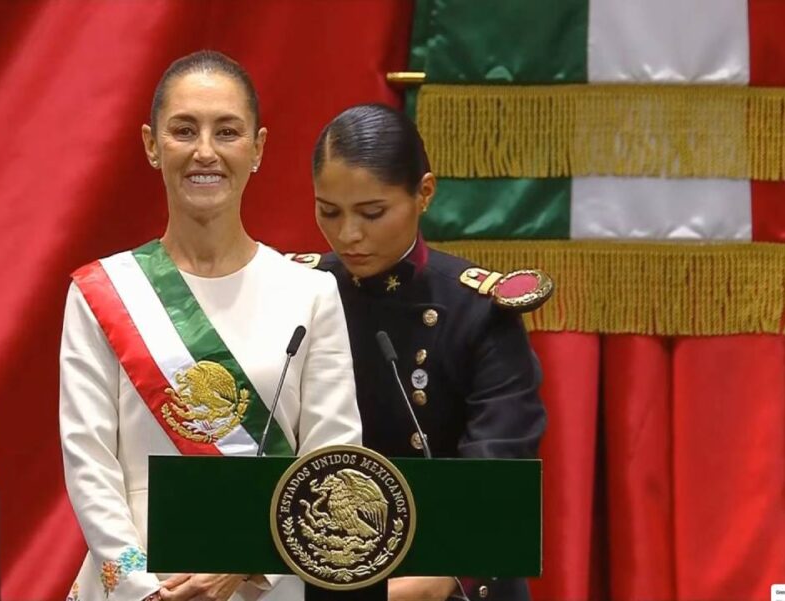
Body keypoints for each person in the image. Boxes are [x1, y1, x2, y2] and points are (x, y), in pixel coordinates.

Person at [60, 51, 362, 601]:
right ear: (152, 145)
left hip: (264, 585)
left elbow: (330, 462)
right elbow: (89, 462)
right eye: (183, 130)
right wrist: (142, 587)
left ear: (258, 148)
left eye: (227, 131)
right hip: (138, 584)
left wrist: (245, 559)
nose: (205, 151)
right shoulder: (102, 292)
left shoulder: (311, 294)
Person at [307, 104, 549, 601]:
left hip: (446, 575)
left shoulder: (476, 310)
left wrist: (434, 579)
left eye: (372, 213)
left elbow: (497, 469)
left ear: (424, 193)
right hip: (322, 565)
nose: (348, 234)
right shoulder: (300, 292)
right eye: (329, 211)